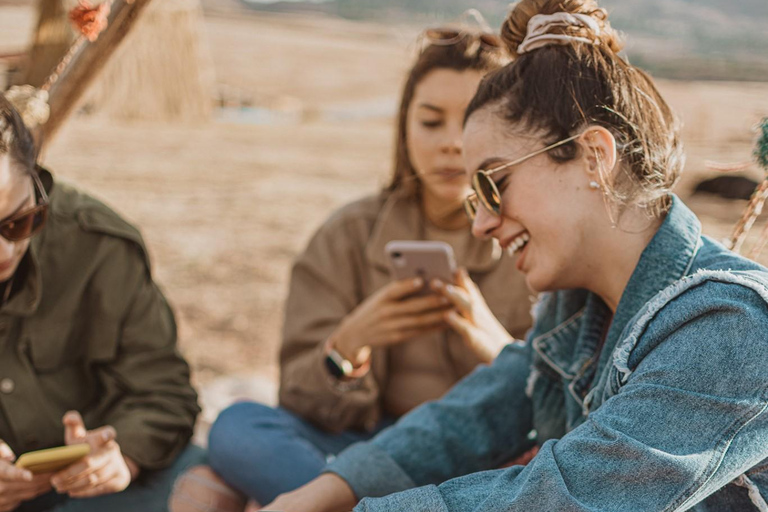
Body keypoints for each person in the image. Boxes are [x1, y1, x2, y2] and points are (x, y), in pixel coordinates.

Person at [259, 1, 768, 511]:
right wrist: (320, 493)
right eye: (474, 201)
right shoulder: (575, 310)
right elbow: (469, 417)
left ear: (595, 155)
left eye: (493, 183)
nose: (480, 223)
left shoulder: (733, 327)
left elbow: (565, 496)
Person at [171, 17, 535, 512]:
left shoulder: (530, 235)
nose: (451, 142)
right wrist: (348, 347)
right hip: (365, 450)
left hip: (485, 454)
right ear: (404, 126)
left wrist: (494, 346)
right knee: (238, 428)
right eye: (431, 121)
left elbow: (560, 399)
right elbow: (298, 399)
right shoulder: (347, 235)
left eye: (470, 123)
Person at [0, 94, 203, 512]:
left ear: (38, 180)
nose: (3, 252)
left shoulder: (98, 248)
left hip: (94, 497)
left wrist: (122, 455)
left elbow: (166, 393)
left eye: (19, 223)